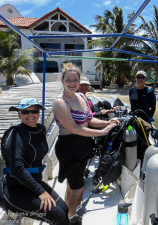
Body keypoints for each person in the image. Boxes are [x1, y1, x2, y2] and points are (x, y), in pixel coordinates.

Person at [52, 63, 119, 222]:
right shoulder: (60, 102)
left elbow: (89, 120)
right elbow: (75, 129)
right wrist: (102, 132)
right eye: (68, 79)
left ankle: (66, 216)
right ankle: (73, 220)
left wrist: (108, 124)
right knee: (78, 188)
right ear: (62, 80)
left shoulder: (81, 97)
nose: (72, 83)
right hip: (69, 148)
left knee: (71, 184)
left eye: (75, 79)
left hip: (83, 147)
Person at [0, 98, 69, 225]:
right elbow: (17, 170)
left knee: (64, 209)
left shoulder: (40, 130)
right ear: (19, 114)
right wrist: (41, 192)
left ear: (39, 113)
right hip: (16, 188)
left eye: (34, 111)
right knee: (58, 216)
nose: (30, 115)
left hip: (33, 183)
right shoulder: (15, 135)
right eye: (25, 112)